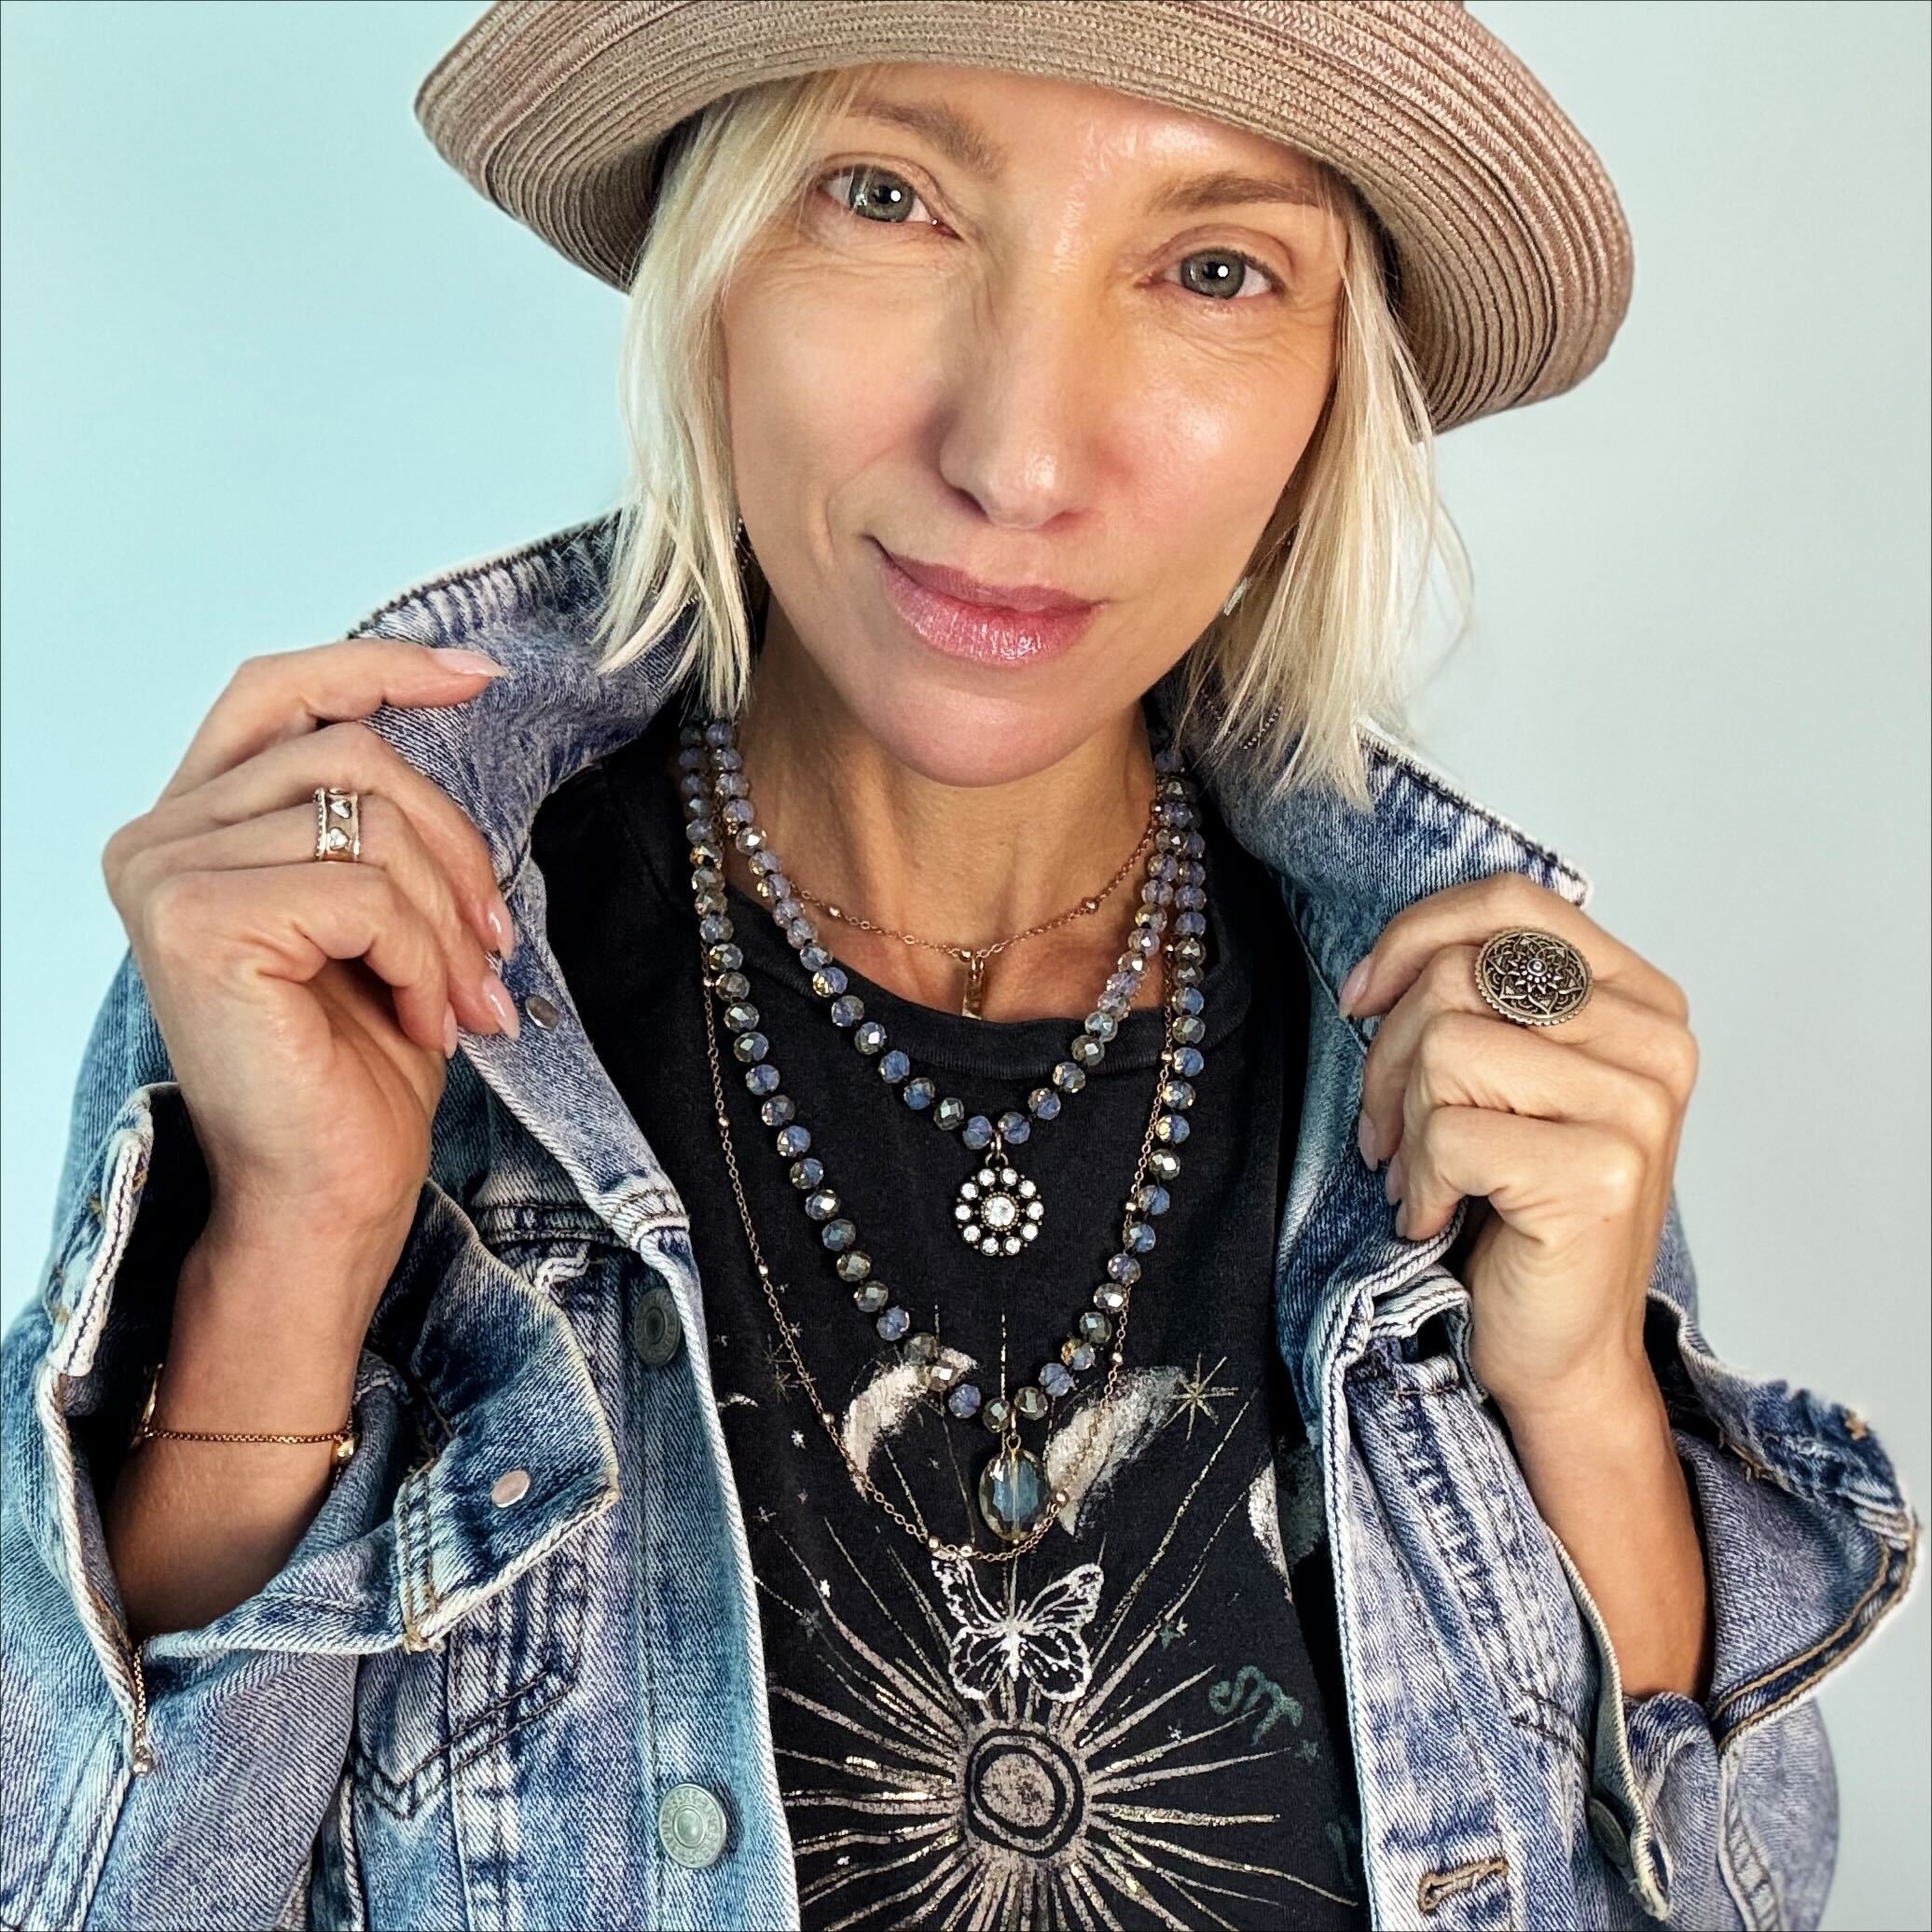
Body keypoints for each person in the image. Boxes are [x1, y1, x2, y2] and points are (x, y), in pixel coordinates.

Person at [1, 6, 1917, 1929]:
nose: (1015, 455)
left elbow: (1746, 1893)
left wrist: (1580, 1386)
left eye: (1212, 268)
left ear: (1331, 391)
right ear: (708, 269)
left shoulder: (1456, 1036)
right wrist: (293, 1251)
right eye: (887, 196)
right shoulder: (376, 956)